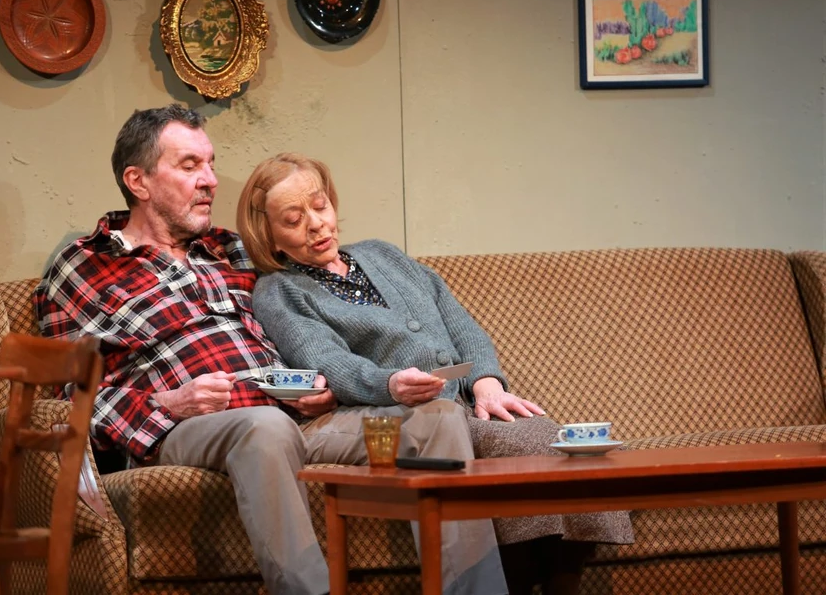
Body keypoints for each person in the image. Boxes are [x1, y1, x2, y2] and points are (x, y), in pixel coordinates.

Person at [34, 105, 508, 595]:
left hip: (294, 418)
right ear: (138, 181)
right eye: (190, 166)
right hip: (187, 427)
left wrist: (320, 389)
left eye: (211, 164)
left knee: (436, 418)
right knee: (264, 427)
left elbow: (304, 332)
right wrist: (168, 404)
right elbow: (69, 398)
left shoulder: (231, 250)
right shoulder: (84, 266)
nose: (210, 180)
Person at [236, 152, 636, 595]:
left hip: (467, 404)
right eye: (294, 220)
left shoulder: (381, 253)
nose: (317, 224)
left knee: (555, 441)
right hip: (410, 415)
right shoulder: (279, 292)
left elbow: (460, 323)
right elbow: (330, 363)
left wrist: (487, 383)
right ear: (269, 236)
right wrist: (389, 384)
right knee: (523, 447)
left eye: (320, 205)